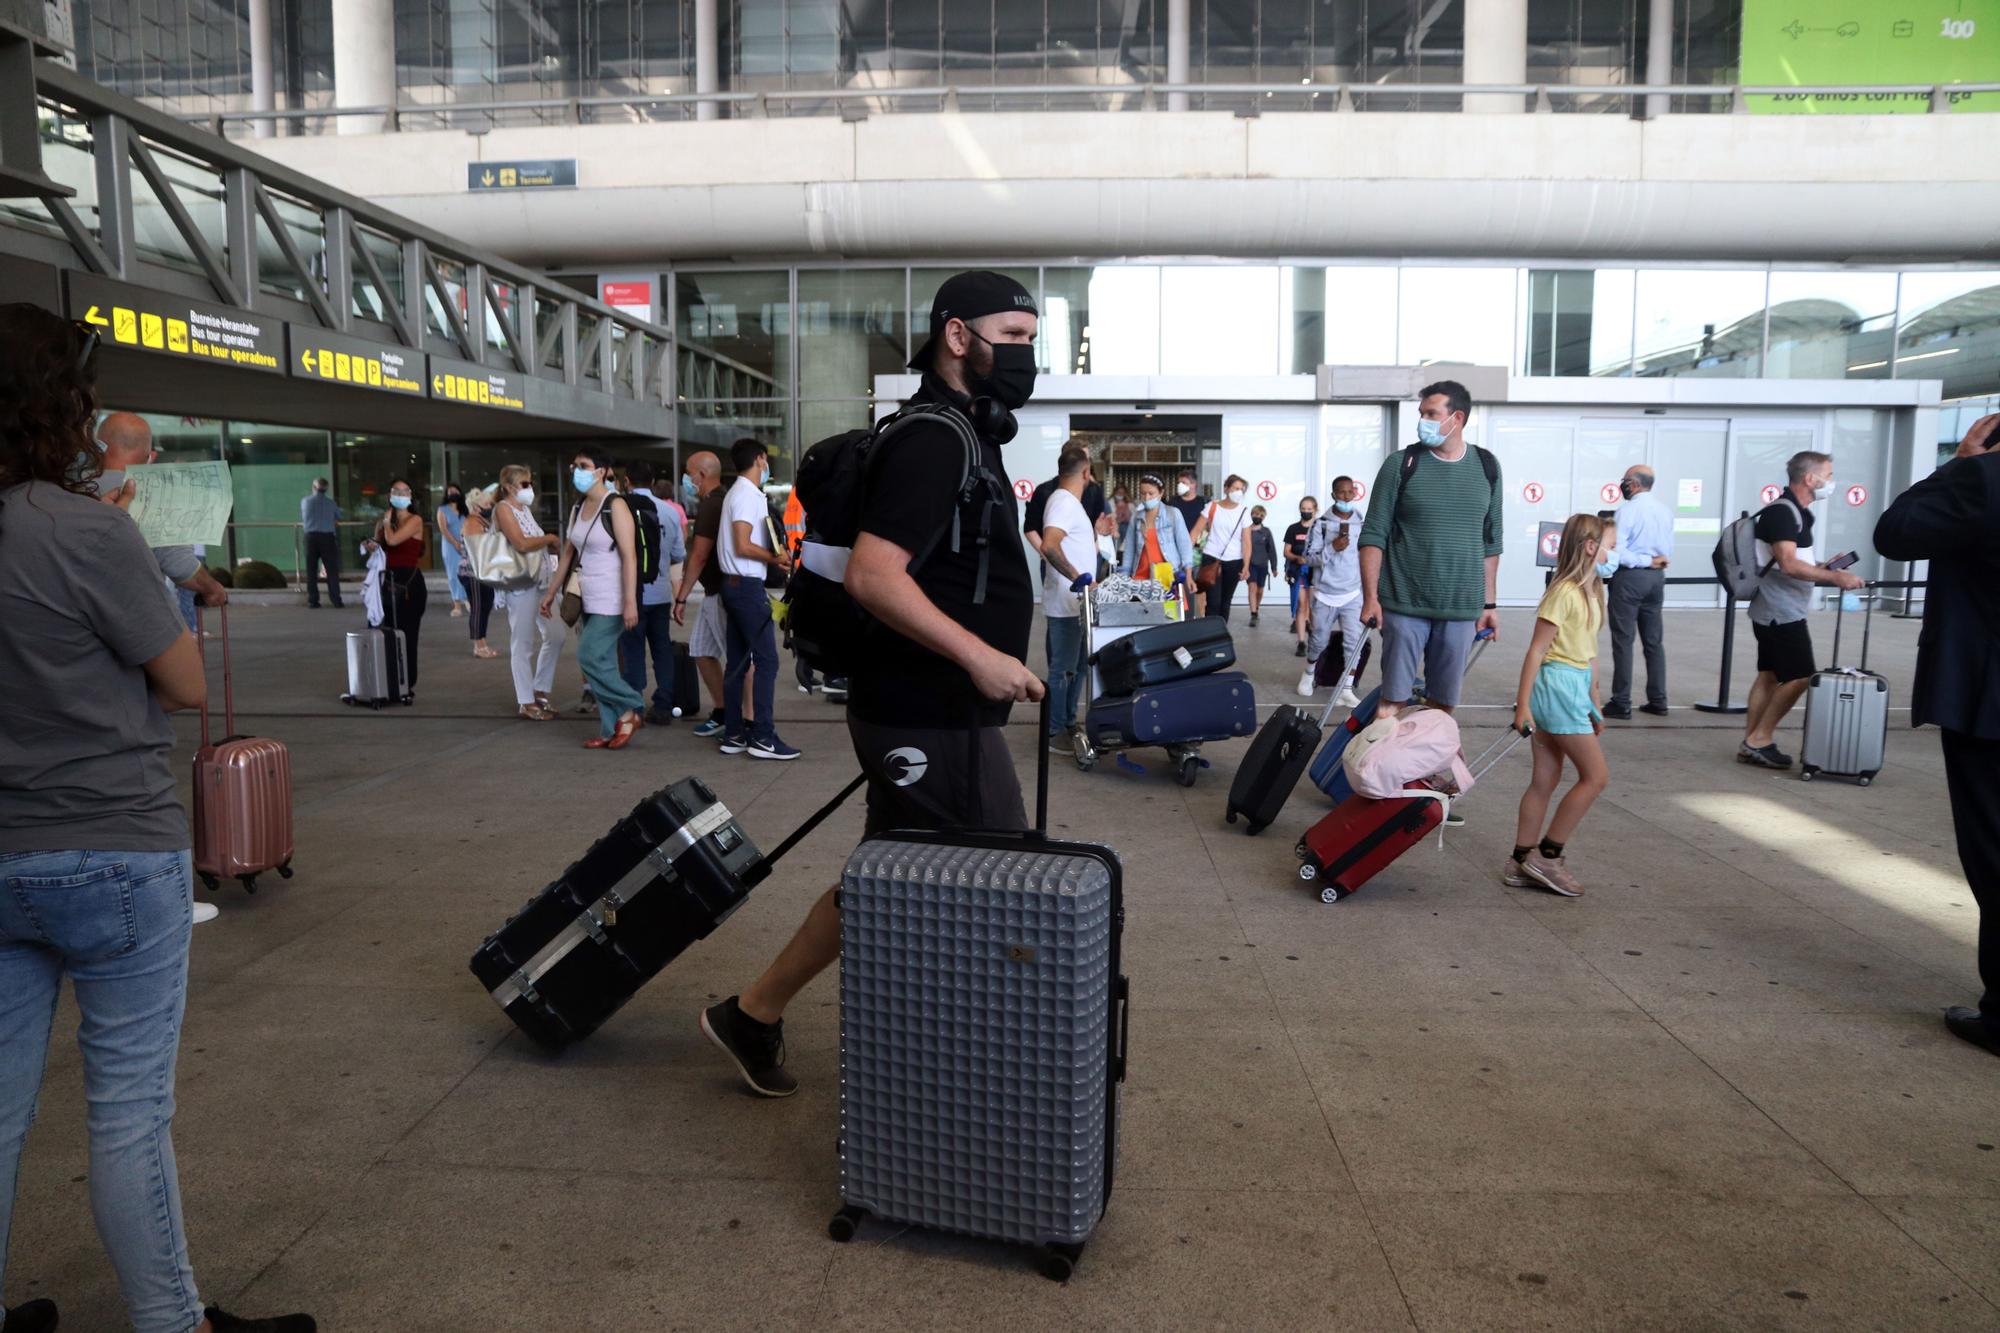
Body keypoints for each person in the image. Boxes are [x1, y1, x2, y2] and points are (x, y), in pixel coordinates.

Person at [0, 302, 316, 1333]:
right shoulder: (88, 528)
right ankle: (170, 1323)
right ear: (65, 409)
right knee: (128, 1113)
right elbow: (181, 680)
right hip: (110, 848)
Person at [700, 269, 1043, 1097]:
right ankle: (953, 1070)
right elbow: (874, 577)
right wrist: (981, 656)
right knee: (996, 874)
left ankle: (754, 1012)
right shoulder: (935, 438)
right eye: (1015, 337)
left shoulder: (968, 431)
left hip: (932, 708)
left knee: (888, 872)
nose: (1027, 357)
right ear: (957, 335)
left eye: (1033, 339)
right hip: (926, 709)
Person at [1874, 411, 2000, 1058]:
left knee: (1994, 849)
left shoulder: (1982, 480)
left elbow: (1895, 532)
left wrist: (1961, 461)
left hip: (1988, 703)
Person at [1358, 379, 1504, 720]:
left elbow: (1491, 541)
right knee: (1392, 703)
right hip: (1404, 603)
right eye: (1421, 413)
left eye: (1431, 413)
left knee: (1443, 707)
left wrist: (1490, 604)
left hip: (1461, 607)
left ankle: (1426, 772)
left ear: (1458, 418)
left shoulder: (1487, 466)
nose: (1423, 420)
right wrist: (1370, 597)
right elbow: (1373, 534)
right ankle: (1382, 772)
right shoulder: (1402, 464)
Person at [1504, 513, 1610, 898]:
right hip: (1558, 687)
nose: (1610, 551)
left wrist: (1595, 702)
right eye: (1607, 544)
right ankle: (1548, 856)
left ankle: (1519, 861)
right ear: (1589, 546)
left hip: (1574, 687)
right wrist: (1522, 706)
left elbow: (1591, 651)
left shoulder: (1594, 590)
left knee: (1545, 779)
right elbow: (1537, 651)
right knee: (1595, 777)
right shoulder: (1563, 591)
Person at [1737, 451, 1865, 769]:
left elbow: (1797, 561)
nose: (1832, 482)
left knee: (1769, 676)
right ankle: (1760, 739)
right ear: (1811, 479)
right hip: (1779, 610)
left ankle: (1750, 742)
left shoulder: (1797, 513)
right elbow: (1789, 564)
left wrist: (1824, 567)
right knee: (1799, 676)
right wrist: (1835, 576)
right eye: (1829, 475)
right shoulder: (1782, 513)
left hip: (1778, 607)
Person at [543, 449, 645, 749]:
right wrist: (551, 592)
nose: (576, 471)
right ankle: (611, 727)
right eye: (575, 466)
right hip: (586, 595)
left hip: (613, 598)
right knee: (602, 663)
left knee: (588, 655)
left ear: (601, 471)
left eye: (584, 466)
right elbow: (567, 554)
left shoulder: (616, 506)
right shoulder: (578, 508)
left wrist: (630, 601)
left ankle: (632, 705)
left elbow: (630, 557)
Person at [94, 412, 229, 620]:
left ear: (99, 447)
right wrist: (212, 588)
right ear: (149, 455)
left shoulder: (70, 489)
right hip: (134, 618)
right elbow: (179, 564)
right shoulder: (156, 495)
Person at [716, 438, 799, 761]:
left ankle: (735, 733)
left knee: (737, 662)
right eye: (766, 462)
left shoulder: (735, 493)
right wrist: (775, 558)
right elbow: (742, 544)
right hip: (746, 587)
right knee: (768, 661)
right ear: (761, 459)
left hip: (733, 585)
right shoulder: (748, 495)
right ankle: (763, 736)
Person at [673, 450, 744, 739]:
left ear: (701, 475)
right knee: (701, 650)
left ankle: (739, 719)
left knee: (735, 659)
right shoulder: (719, 500)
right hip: (716, 591)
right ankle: (723, 710)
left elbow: (699, 555)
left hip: (720, 593)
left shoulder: (712, 505)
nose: (686, 481)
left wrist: (681, 597)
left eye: (689, 474)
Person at [616, 459, 686, 726]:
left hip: (632, 593)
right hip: (659, 593)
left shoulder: (621, 509)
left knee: (632, 649)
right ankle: (664, 704)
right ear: (653, 482)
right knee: (661, 650)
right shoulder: (668, 512)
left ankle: (634, 706)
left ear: (627, 482)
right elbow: (679, 554)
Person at [493, 465, 565, 721]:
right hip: (520, 585)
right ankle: (526, 700)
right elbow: (520, 543)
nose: (530, 488)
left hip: (541, 582)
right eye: (525, 484)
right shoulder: (503, 509)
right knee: (522, 642)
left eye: (530, 483)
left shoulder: (524, 510)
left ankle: (540, 690)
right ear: (510, 487)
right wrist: (548, 539)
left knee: (555, 634)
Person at [1039, 446, 1098, 751]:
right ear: (1086, 472)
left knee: (1078, 667)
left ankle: (1067, 721)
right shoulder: (1063, 502)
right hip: (1065, 605)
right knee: (1063, 668)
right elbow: (1049, 546)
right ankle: (1053, 731)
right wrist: (1077, 576)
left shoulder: (1070, 504)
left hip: (1076, 605)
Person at [1602, 464, 1673, 719]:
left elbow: (1617, 549)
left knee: (1623, 640)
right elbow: (1666, 551)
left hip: (1631, 578)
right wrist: (1654, 562)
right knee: (1653, 641)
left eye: (1624, 481)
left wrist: (1644, 561)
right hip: (1656, 581)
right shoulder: (1664, 511)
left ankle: (1621, 701)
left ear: (1633, 484)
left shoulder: (1628, 510)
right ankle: (1658, 699)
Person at [1297, 475, 1366, 707]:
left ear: (1355, 493)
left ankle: (1346, 688)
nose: (1346, 496)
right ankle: (1309, 673)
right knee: (1318, 640)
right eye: (1341, 492)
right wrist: (1331, 548)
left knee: (1353, 641)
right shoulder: (1321, 524)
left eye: (1350, 492)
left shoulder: (1362, 521)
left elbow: (1367, 555)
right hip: (1325, 593)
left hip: (1353, 593)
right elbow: (1307, 558)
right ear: (1333, 494)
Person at [364, 479, 428, 695]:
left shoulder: (415, 520)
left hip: (408, 584)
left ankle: (405, 683)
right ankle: (387, 681)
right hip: (386, 581)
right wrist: (371, 545)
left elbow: (392, 542)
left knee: (407, 635)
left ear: (410, 495)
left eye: (405, 491)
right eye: (396, 491)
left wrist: (386, 523)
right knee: (385, 632)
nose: (400, 495)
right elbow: (380, 547)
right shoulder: (383, 522)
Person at [1191, 474, 1254, 624]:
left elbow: (1246, 541)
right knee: (1213, 602)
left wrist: (1246, 565)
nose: (1238, 492)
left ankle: (1221, 634)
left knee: (1226, 601)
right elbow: (1195, 532)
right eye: (1235, 488)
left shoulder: (1244, 512)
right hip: (1211, 557)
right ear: (1226, 488)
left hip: (1234, 561)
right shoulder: (1212, 507)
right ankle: (1209, 636)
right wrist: (1186, 557)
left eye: (1241, 489)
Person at [1118, 473, 1194, 582]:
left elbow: (1184, 544)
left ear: (1161, 493)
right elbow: (1130, 549)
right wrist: (1125, 576)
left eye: (1151, 493)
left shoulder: (1172, 514)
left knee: (1170, 600)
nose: (1147, 498)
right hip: (1140, 577)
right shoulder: (1136, 517)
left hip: (1167, 577)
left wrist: (1188, 574)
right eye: (1143, 494)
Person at [460, 486, 499, 658]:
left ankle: (482, 641)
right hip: (472, 572)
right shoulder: (471, 522)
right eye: (487, 504)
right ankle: (478, 645)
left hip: (483, 571)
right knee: (478, 607)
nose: (490, 507)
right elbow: (478, 549)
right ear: (476, 507)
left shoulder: (481, 521)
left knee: (486, 605)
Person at [1283, 495, 1318, 656]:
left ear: (1315, 510)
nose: (1306, 512)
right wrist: (1296, 559)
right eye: (1303, 509)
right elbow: (1286, 551)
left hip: (1316, 572)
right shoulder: (1293, 529)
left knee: (1313, 607)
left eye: (1309, 509)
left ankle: (1314, 636)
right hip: (1298, 572)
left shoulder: (1320, 528)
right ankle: (1301, 642)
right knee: (1301, 604)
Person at [300, 477, 342, 609]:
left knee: (311, 570)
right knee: (332, 570)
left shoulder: (305, 501)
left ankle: (313, 600)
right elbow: (338, 517)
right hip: (327, 537)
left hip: (311, 537)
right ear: (326, 489)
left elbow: (303, 516)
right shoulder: (331, 503)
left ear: (314, 487)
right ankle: (336, 600)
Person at [437, 484, 470, 618]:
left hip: (466, 544)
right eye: (450, 491)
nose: (453, 493)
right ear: (446, 494)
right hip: (450, 546)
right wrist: (455, 543)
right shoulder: (442, 509)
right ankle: (457, 605)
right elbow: (443, 529)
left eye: (456, 490)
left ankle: (468, 600)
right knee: (453, 575)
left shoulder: (465, 509)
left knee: (467, 573)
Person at [1244, 505, 1278, 626]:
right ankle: (1253, 614)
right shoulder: (1246, 530)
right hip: (1250, 564)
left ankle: (1256, 608)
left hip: (1263, 565)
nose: (1257, 517)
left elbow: (1272, 550)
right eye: (1254, 514)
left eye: (1260, 515)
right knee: (1252, 588)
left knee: (1260, 590)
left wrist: (1274, 567)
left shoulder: (1266, 532)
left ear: (1263, 517)